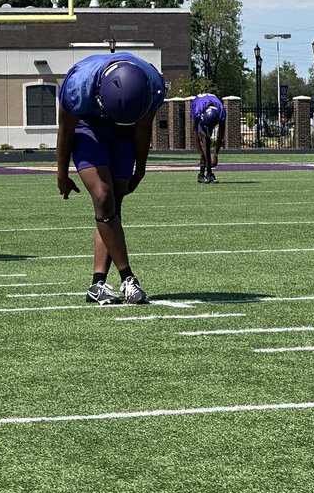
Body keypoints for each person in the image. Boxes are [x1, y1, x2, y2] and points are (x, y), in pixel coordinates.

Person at [56, 52, 166, 304]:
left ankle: (97, 285)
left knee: (113, 203)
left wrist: (141, 168)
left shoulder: (152, 86)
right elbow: (66, 130)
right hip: (88, 125)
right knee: (103, 197)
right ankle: (128, 277)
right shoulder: (77, 86)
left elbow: (142, 128)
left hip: (125, 131)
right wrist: (62, 173)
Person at [190, 93, 226, 183]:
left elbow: (221, 134)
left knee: (207, 140)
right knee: (203, 139)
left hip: (209, 110)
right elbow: (194, 132)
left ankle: (209, 173)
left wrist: (216, 154)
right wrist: (201, 154)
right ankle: (203, 174)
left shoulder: (221, 112)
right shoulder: (197, 111)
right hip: (199, 105)